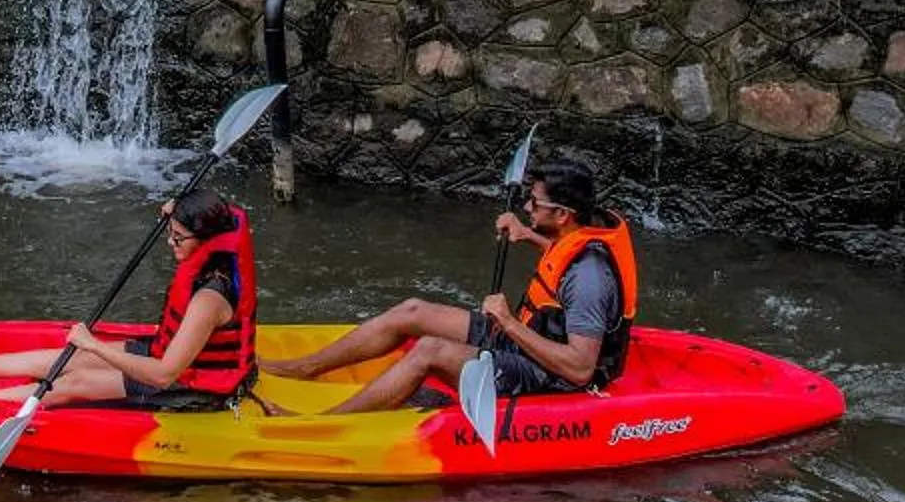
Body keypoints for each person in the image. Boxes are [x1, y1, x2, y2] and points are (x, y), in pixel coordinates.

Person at [261, 160, 638, 414]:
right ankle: (304, 368)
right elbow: (563, 258)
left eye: (535, 204)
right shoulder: (575, 232)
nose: (526, 206)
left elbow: (579, 369)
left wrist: (508, 323)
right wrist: (527, 235)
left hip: (551, 377)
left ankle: (326, 421)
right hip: (529, 341)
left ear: (562, 214)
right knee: (413, 311)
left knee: (429, 351)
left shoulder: (590, 280)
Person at [0, 189, 258, 410]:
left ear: (206, 238)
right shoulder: (222, 228)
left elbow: (163, 376)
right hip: (174, 358)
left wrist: (96, 345)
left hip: (194, 389)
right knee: (70, 357)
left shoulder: (209, 299)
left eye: (178, 238)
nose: (170, 243)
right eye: (170, 232)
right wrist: (178, 208)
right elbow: (227, 211)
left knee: (74, 382)